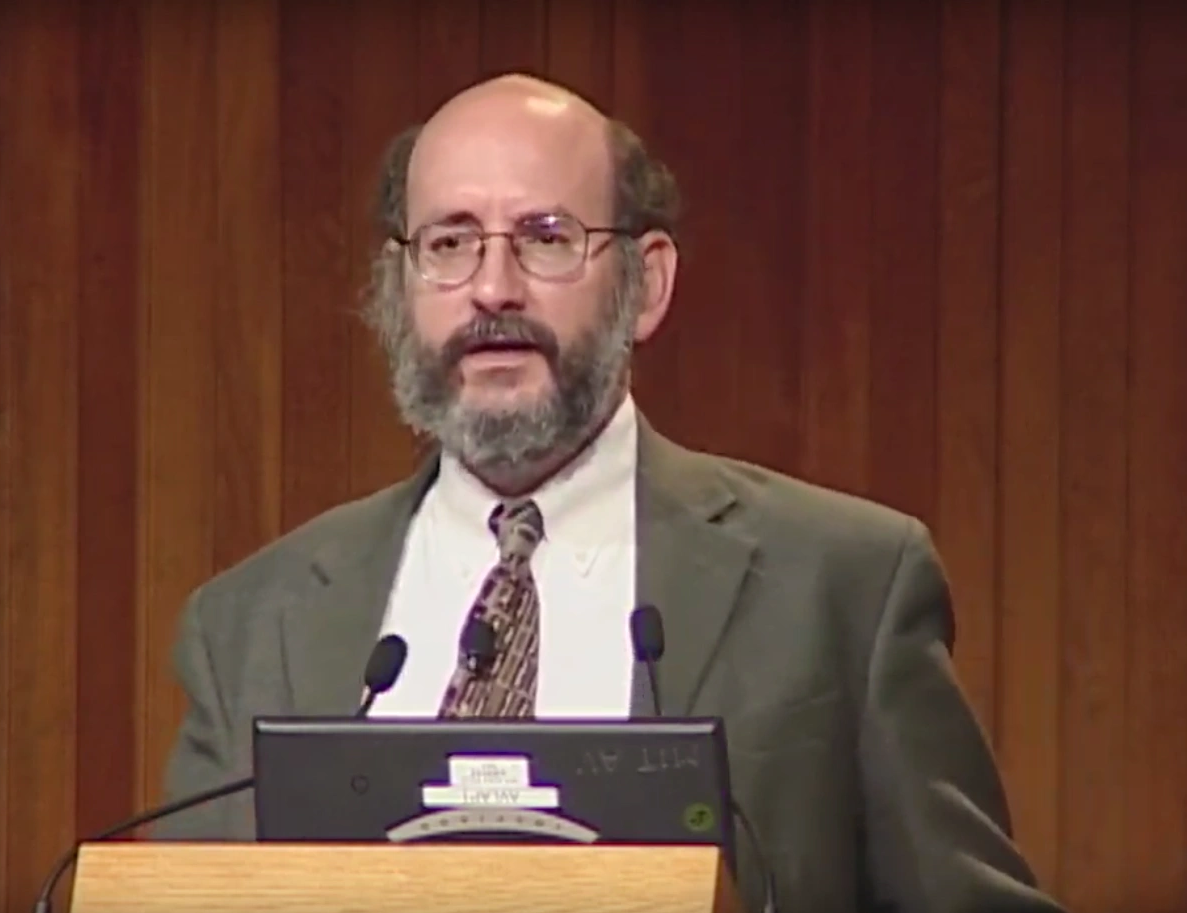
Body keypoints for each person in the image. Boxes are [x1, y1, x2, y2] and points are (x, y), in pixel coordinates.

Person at [155, 73, 1065, 913]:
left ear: (646, 285)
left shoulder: (844, 587)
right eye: (450, 242)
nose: (492, 289)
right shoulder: (249, 625)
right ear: (403, 283)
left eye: (547, 239)